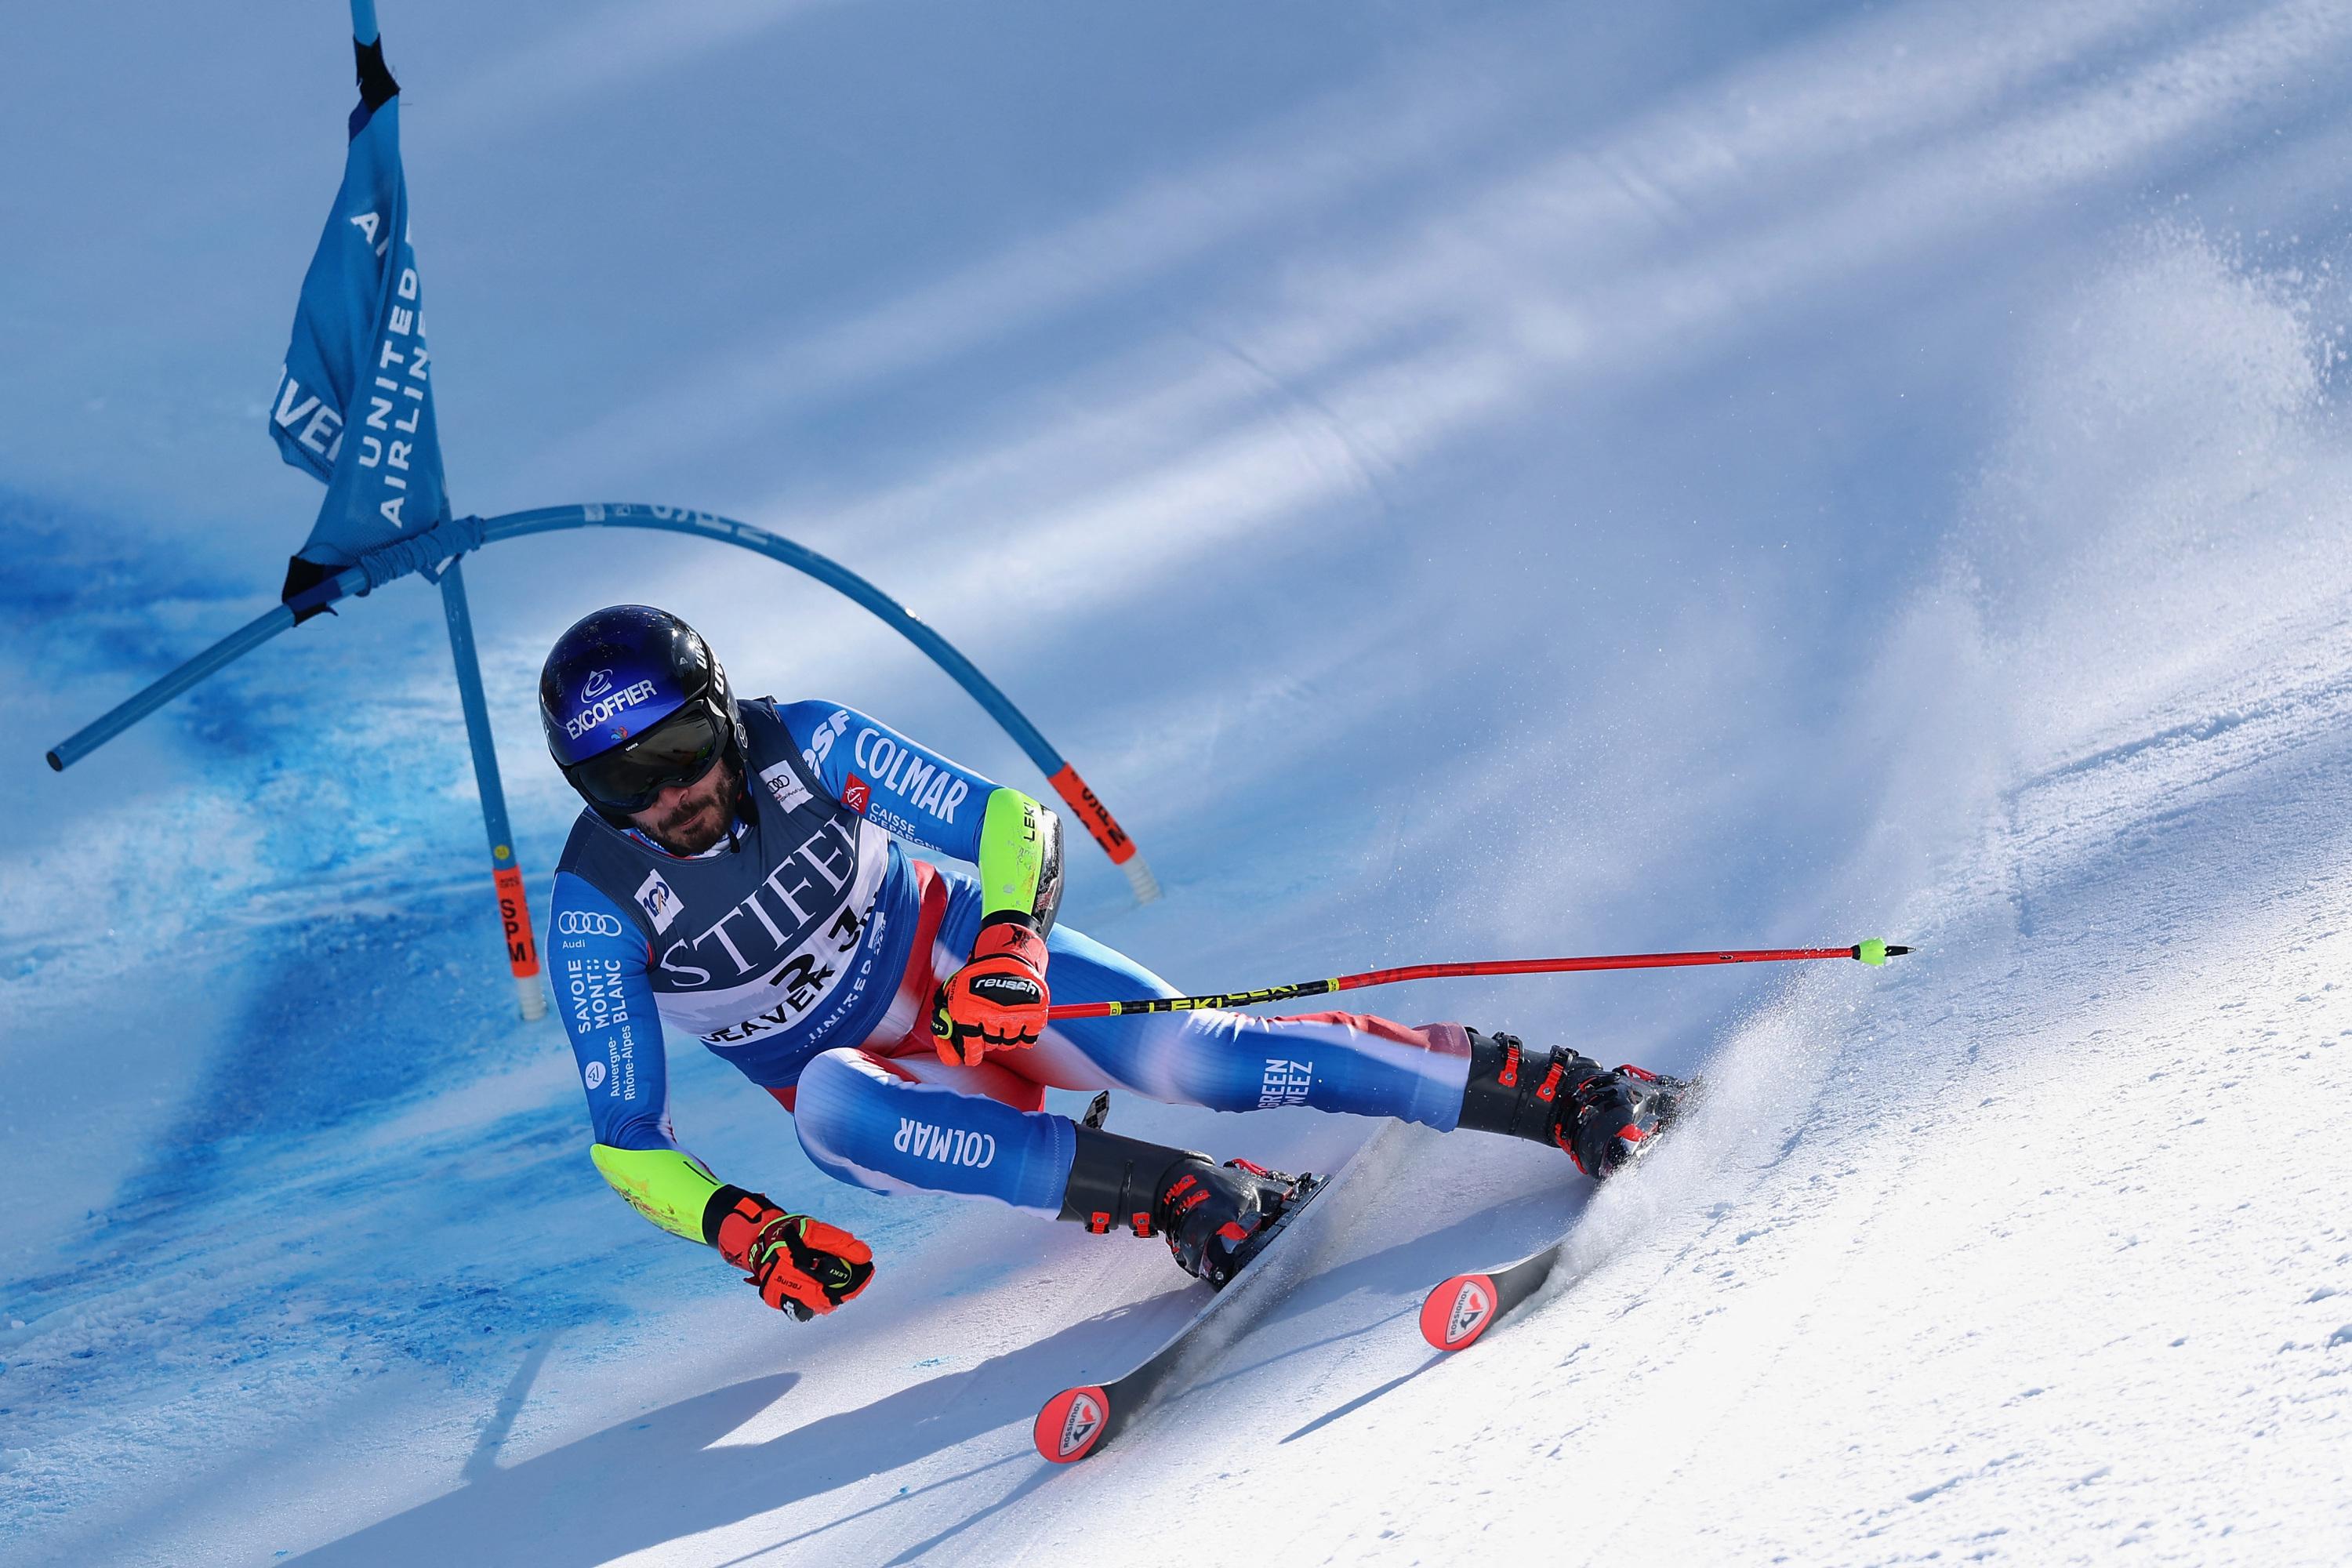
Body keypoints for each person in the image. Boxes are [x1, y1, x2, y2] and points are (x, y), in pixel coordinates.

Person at [541, 605, 1689, 1321]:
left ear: (721, 717)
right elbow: (626, 1138)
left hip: (974, 981)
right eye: (621, 783)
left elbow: (1011, 824)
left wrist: (1007, 943)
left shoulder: (813, 741)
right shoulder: (598, 908)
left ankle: (1563, 1092)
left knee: (1199, 1056)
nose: (669, 797)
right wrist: (749, 1231)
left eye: (683, 751)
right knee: (829, 1107)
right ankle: (1185, 1197)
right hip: (898, 1092)